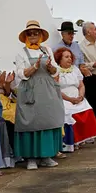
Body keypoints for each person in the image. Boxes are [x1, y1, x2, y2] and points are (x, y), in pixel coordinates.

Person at [13, 20, 65, 169]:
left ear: (41, 35)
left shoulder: (47, 50)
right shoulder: (21, 53)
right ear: (25, 36)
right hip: (30, 89)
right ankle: (31, 158)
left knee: (48, 120)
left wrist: (50, 67)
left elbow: (56, 70)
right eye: (30, 34)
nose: (33, 35)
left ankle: (46, 155)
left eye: (36, 33)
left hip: (47, 89)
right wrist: (33, 68)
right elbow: (20, 73)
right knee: (30, 122)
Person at [54, 46, 96, 154]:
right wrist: (70, 99)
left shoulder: (75, 69)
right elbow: (56, 89)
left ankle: (82, 138)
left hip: (77, 97)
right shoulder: (56, 71)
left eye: (70, 57)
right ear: (59, 59)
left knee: (87, 107)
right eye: (66, 57)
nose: (69, 59)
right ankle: (72, 141)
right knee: (68, 112)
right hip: (64, 98)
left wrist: (80, 96)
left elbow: (81, 85)